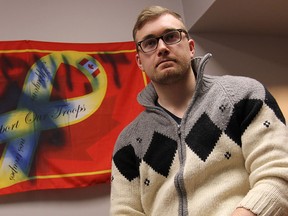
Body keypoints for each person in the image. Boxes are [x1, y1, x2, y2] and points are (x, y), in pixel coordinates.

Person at [110, 5, 288, 216]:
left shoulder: (245, 96)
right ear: (140, 61)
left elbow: (278, 175)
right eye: (149, 43)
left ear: (191, 46)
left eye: (171, 36)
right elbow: (124, 212)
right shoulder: (128, 142)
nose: (162, 48)